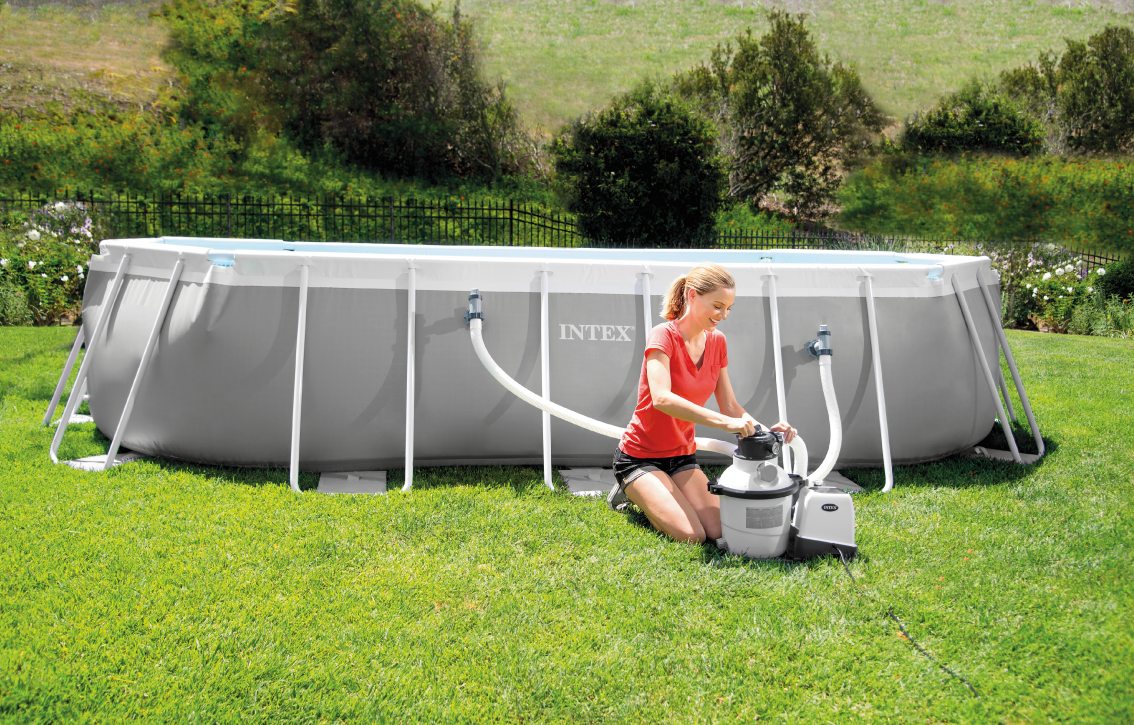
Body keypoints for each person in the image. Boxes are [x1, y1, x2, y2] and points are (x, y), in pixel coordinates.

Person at [607, 262, 797, 546]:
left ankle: (666, 491)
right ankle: (633, 489)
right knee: (691, 536)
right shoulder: (663, 336)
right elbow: (661, 398)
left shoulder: (717, 342)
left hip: (681, 457)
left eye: (729, 308)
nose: (724, 315)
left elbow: (730, 406)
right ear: (693, 296)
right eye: (718, 306)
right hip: (640, 457)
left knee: (718, 531)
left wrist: (765, 430)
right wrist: (725, 424)